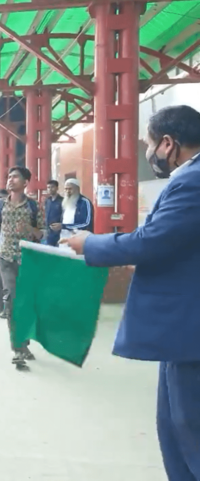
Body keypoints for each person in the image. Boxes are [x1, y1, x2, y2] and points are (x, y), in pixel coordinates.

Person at [61, 105, 200, 480]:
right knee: (173, 424)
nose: (150, 155)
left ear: (168, 144)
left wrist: (91, 244)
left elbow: (152, 242)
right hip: (183, 333)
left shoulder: (194, 181)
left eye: (150, 146)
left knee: (189, 428)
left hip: (189, 328)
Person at [0, 167, 44, 370]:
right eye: (9, 177)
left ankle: (24, 343)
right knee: (11, 301)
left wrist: (29, 230)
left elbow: (41, 234)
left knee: (26, 304)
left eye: (15, 177)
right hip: (5, 259)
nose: (10, 180)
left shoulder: (34, 207)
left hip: (28, 261)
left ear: (25, 182)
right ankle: (17, 349)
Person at [54, 178, 93, 242]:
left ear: (77, 189)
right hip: (64, 238)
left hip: (80, 239)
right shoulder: (65, 202)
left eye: (70, 189)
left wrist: (64, 226)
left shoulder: (84, 202)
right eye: (66, 189)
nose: (68, 191)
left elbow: (86, 223)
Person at [44, 179, 63, 247]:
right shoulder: (47, 201)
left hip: (58, 231)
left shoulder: (62, 201)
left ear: (57, 188)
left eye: (52, 187)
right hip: (48, 231)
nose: (50, 189)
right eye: (48, 187)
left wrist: (61, 225)